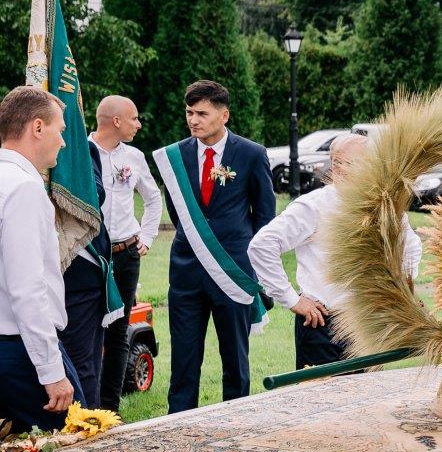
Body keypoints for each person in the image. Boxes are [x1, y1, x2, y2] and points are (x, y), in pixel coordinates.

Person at [249, 134, 423, 369]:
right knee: (321, 401)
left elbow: (410, 244)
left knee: (368, 400)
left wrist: (399, 286)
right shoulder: (312, 206)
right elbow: (262, 245)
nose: (342, 169)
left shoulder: (384, 205)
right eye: (337, 162)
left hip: (367, 324)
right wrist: (292, 299)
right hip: (322, 325)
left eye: (351, 163)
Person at [154, 80, 274, 413]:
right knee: (184, 359)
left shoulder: (251, 154)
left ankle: (233, 421)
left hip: (232, 271)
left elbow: (264, 218)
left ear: (224, 115)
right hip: (186, 272)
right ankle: (178, 423)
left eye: (202, 113)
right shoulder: (175, 156)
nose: (194, 120)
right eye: (189, 112)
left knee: (235, 359)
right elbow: (178, 213)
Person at [0, 86, 85, 432]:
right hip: (17, 349)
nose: (63, 142)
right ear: (37, 127)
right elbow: (27, 288)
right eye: (60, 130)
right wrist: (51, 371)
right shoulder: (23, 187)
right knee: (75, 436)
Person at [89, 95, 161, 411]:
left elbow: (153, 198)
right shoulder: (81, 152)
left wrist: (146, 237)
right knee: (88, 328)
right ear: (116, 121)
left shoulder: (133, 156)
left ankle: (109, 409)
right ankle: (84, 405)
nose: (139, 124)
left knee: (119, 333)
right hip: (90, 255)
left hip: (126, 254)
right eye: (134, 118)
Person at [57, 138, 116, 407]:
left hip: (79, 275)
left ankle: (86, 427)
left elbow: (94, 197)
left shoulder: (81, 147)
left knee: (81, 364)